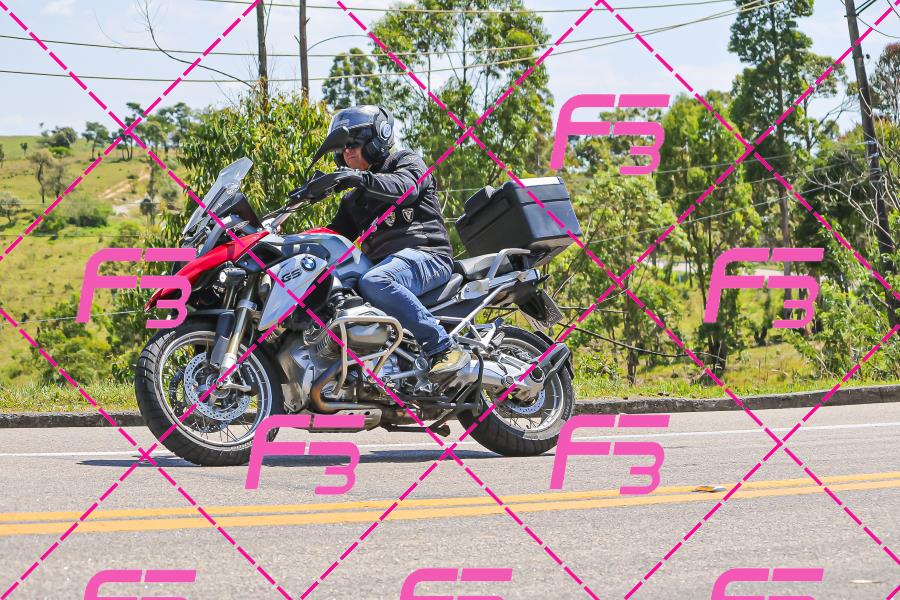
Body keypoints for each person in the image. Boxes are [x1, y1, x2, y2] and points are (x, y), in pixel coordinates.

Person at [323, 105, 470, 378]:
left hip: (429, 257)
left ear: (376, 139)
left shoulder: (405, 162)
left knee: (375, 281)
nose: (347, 151)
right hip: (391, 268)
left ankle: (442, 347)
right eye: (343, 147)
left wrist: (360, 178)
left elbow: (406, 188)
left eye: (354, 143)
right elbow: (331, 237)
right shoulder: (353, 200)